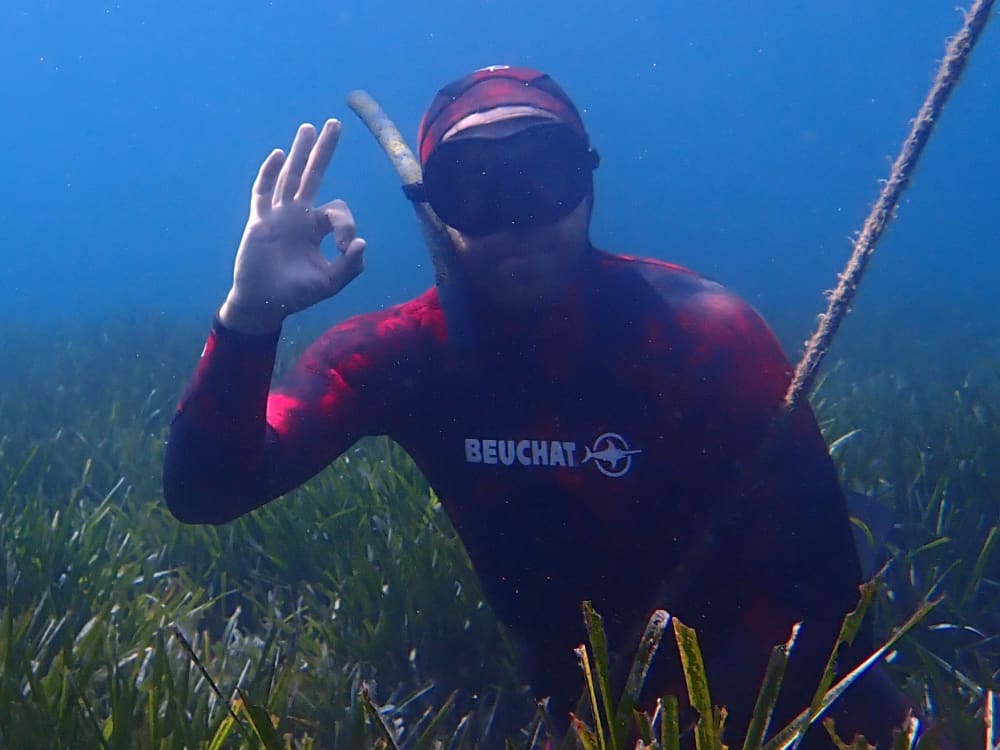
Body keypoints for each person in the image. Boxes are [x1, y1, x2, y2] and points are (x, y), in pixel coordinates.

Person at [163, 66, 926, 748]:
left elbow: (822, 591)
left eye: (545, 175)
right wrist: (249, 316)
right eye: (478, 186)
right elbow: (207, 491)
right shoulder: (395, 355)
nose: (518, 215)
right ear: (435, 207)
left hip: (794, 702)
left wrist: (667, 723)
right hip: (587, 711)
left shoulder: (702, 333)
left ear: (588, 183)